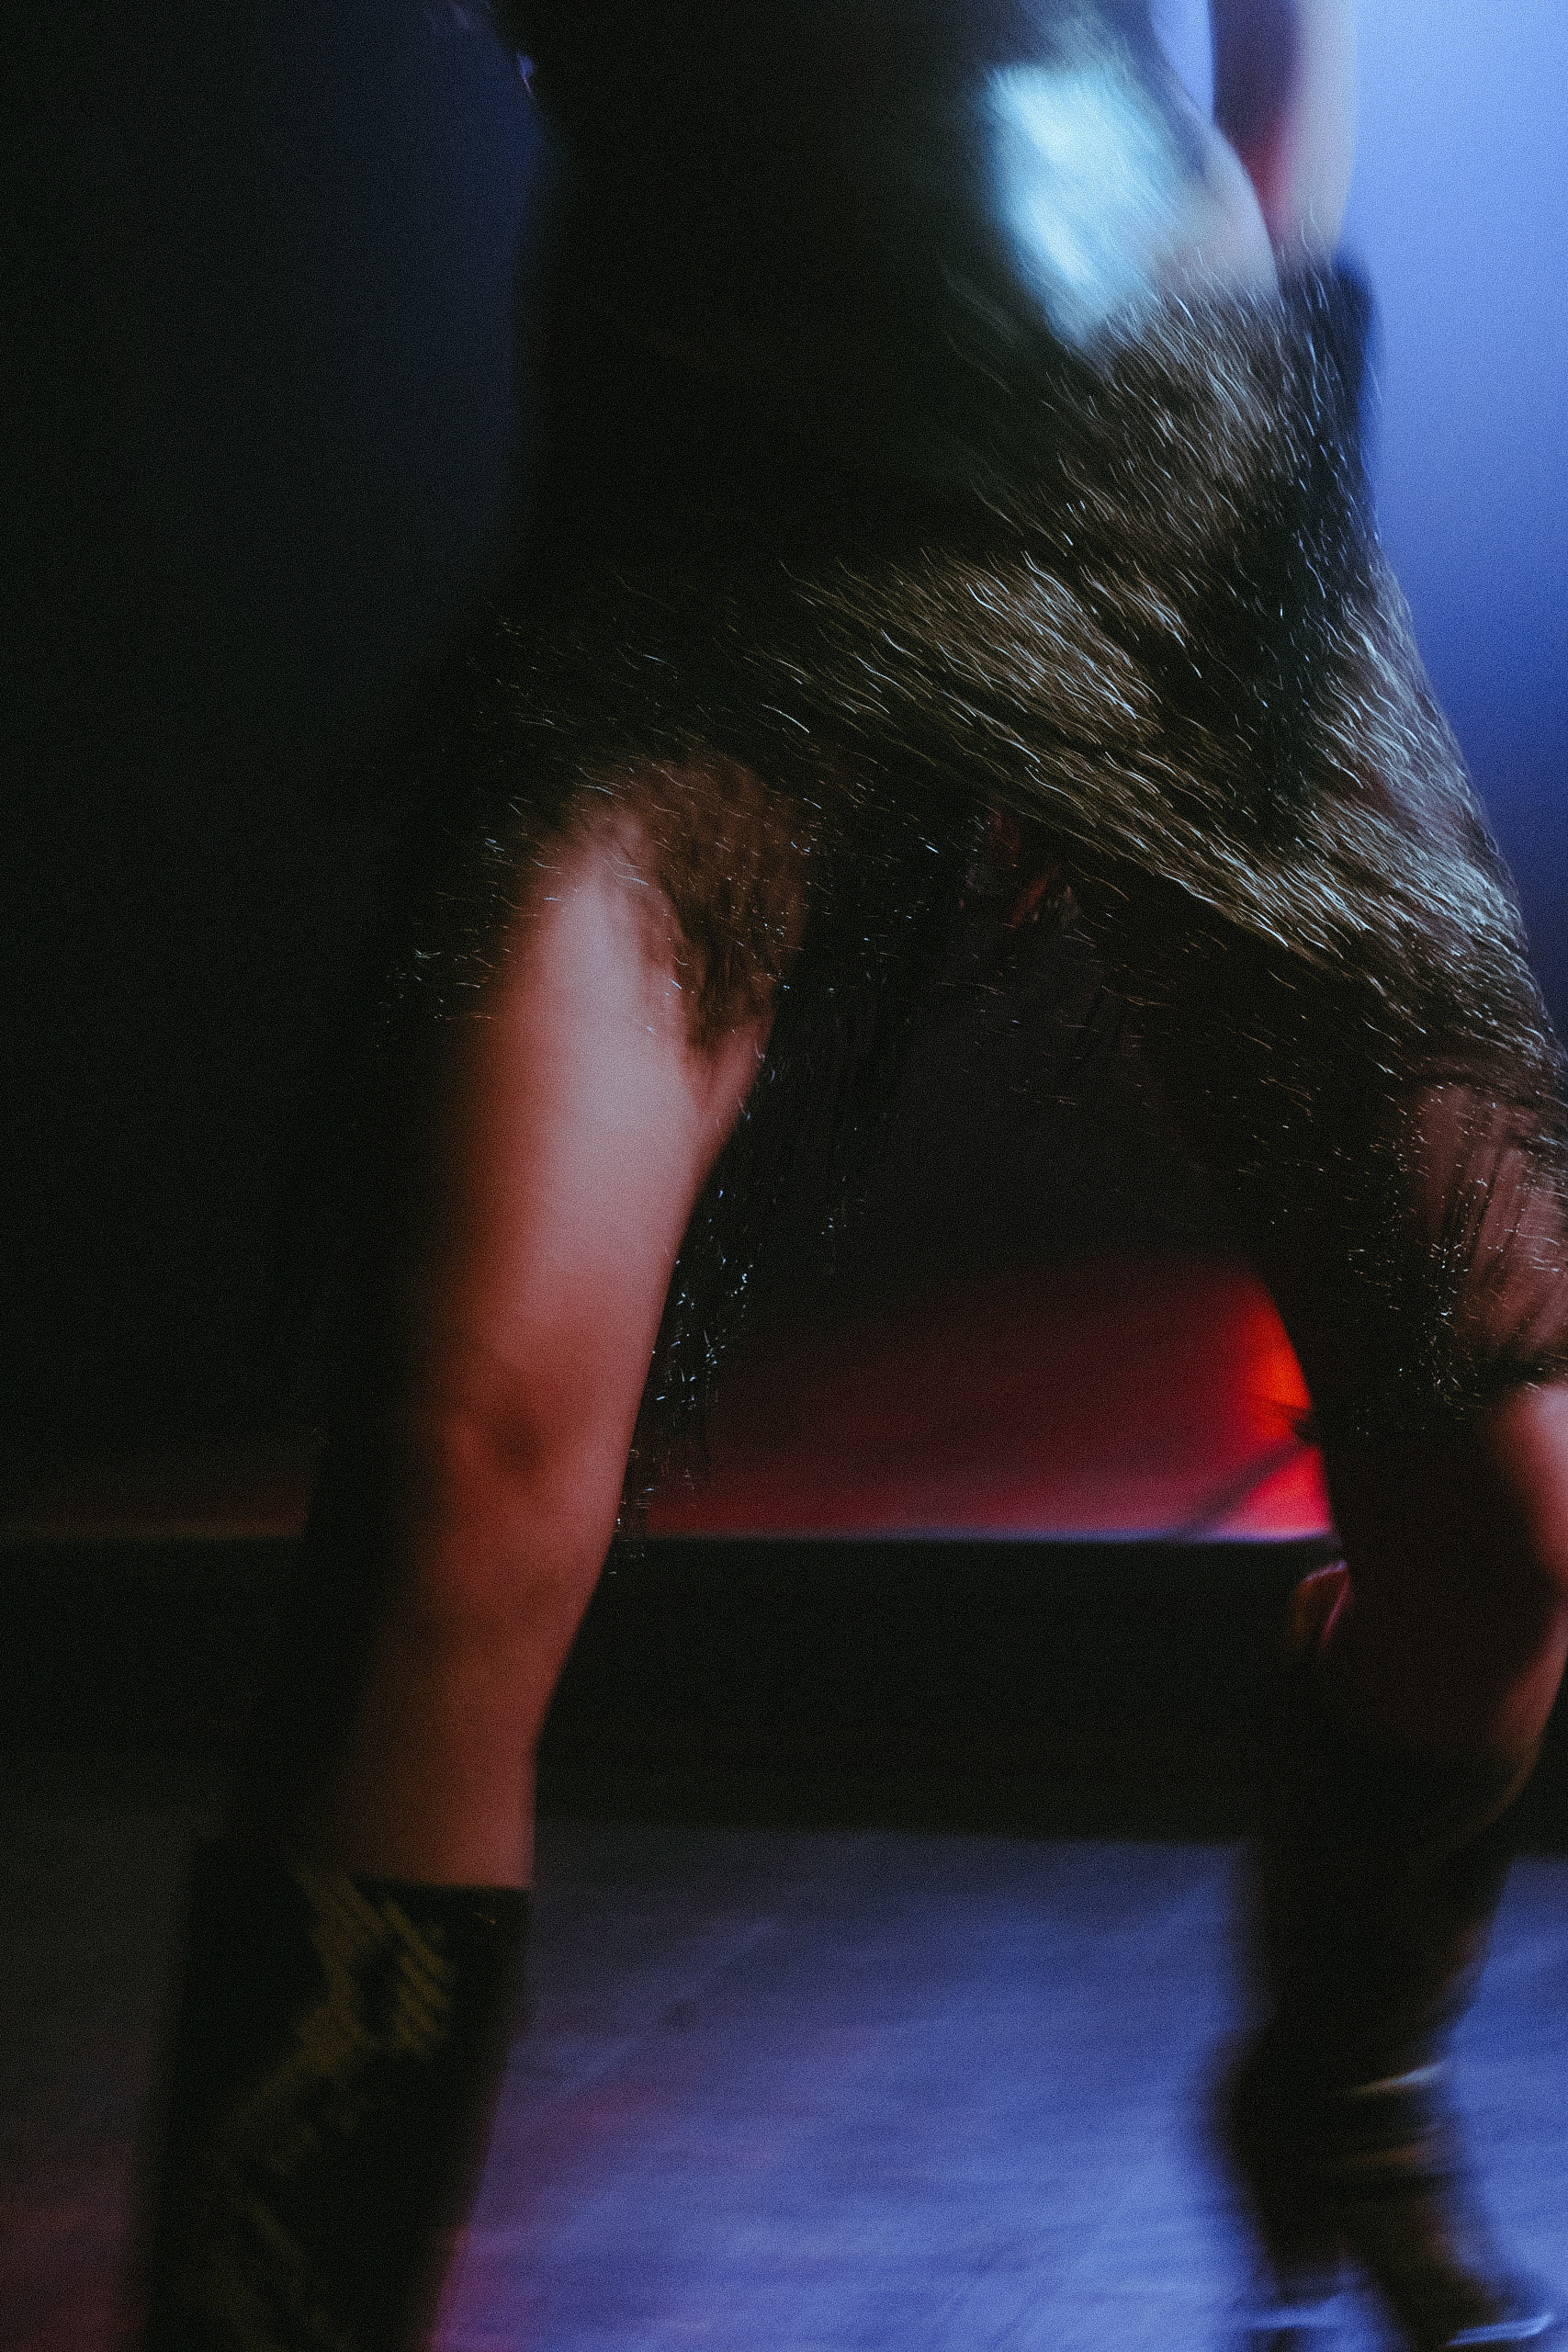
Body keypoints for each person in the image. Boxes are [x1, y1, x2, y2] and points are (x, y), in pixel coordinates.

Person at [131, 5, 1568, 2347]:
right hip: (720, 502)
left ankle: (1345, 2077)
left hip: (1179, 504)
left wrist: (1256, 325)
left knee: (1499, 1530)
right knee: (454, 1465)